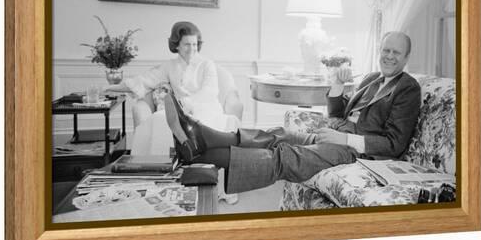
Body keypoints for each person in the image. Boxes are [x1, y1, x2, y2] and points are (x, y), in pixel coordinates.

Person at [164, 31, 422, 194]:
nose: (388, 56)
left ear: (406, 57)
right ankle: (198, 140)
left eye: (395, 52)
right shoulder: (373, 78)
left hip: (359, 153)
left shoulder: (407, 88)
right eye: (385, 50)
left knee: (285, 156)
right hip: (336, 136)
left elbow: (394, 144)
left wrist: (344, 140)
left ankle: (196, 147)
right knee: (276, 135)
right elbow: (337, 115)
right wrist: (338, 86)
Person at [106, 21, 240, 203]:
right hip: (178, 111)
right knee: (158, 120)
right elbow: (145, 81)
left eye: (194, 44)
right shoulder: (169, 66)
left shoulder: (207, 64)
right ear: (176, 44)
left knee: (195, 125)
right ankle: (161, 180)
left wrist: (187, 104)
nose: (191, 48)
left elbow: (209, 91)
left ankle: (204, 180)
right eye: (186, 44)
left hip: (206, 108)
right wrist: (110, 88)